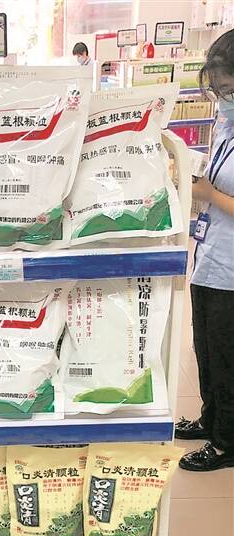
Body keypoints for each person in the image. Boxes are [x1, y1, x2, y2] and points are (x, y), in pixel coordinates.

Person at [175, 29, 234, 472]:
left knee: (227, 358)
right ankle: (210, 419)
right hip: (211, 258)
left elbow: (219, 192)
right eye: (217, 90)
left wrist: (210, 194)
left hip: (231, 272)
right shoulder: (226, 125)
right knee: (207, 351)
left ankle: (226, 443)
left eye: (229, 89)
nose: (222, 98)